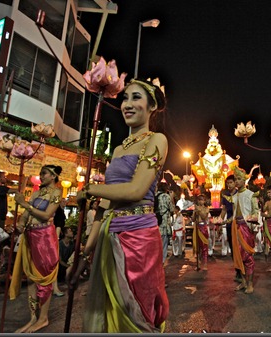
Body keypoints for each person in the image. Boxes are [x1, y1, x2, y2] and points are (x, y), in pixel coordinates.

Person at [72, 78, 169, 332]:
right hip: (108, 236)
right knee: (108, 317)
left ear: (152, 106)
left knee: (136, 315)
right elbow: (105, 206)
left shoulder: (157, 140)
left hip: (139, 239)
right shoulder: (116, 150)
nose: (127, 104)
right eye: (125, 98)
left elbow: (136, 190)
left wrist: (90, 189)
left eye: (136, 98)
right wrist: (85, 253)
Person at [8, 165, 63, 333]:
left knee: (43, 278)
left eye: (44, 173)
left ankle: (43, 318)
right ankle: (33, 317)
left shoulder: (56, 193)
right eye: (41, 173)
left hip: (45, 237)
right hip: (30, 236)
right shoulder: (36, 193)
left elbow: (46, 215)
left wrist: (24, 204)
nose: (41, 176)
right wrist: (19, 225)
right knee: (31, 279)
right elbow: (26, 216)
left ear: (53, 176)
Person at [229, 167, 259, 294]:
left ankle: (250, 283)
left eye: (239, 179)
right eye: (235, 179)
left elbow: (255, 212)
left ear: (244, 180)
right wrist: (223, 221)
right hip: (236, 228)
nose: (236, 181)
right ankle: (243, 282)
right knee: (238, 256)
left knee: (247, 256)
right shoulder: (234, 196)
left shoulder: (251, 195)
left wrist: (253, 219)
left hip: (246, 228)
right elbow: (234, 214)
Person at [219, 175, 237, 265]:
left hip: (238, 223)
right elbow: (224, 209)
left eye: (231, 182)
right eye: (227, 183)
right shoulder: (225, 196)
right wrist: (219, 221)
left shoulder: (239, 194)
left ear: (235, 183)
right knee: (232, 245)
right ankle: (237, 267)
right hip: (229, 224)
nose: (229, 185)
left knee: (238, 246)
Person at [156, 182, 174, 264]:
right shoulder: (167, 197)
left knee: (157, 244)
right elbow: (172, 209)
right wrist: (172, 197)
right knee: (164, 243)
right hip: (164, 223)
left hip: (156, 222)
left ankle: (157, 260)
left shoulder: (155, 196)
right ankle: (162, 261)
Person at [55, 226, 75, 296]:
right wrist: (69, 266)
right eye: (70, 231)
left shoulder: (72, 244)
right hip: (61, 268)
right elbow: (59, 260)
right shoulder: (60, 244)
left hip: (68, 265)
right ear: (65, 234)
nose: (72, 232)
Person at [192, 194, 210, 271]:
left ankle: (205, 264)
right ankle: (198, 264)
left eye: (202, 199)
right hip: (197, 227)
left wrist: (198, 210)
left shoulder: (206, 209)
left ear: (204, 201)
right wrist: (194, 212)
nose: (200, 201)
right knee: (197, 247)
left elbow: (203, 217)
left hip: (203, 228)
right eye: (199, 199)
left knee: (204, 247)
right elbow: (193, 219)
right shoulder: (196, 209)